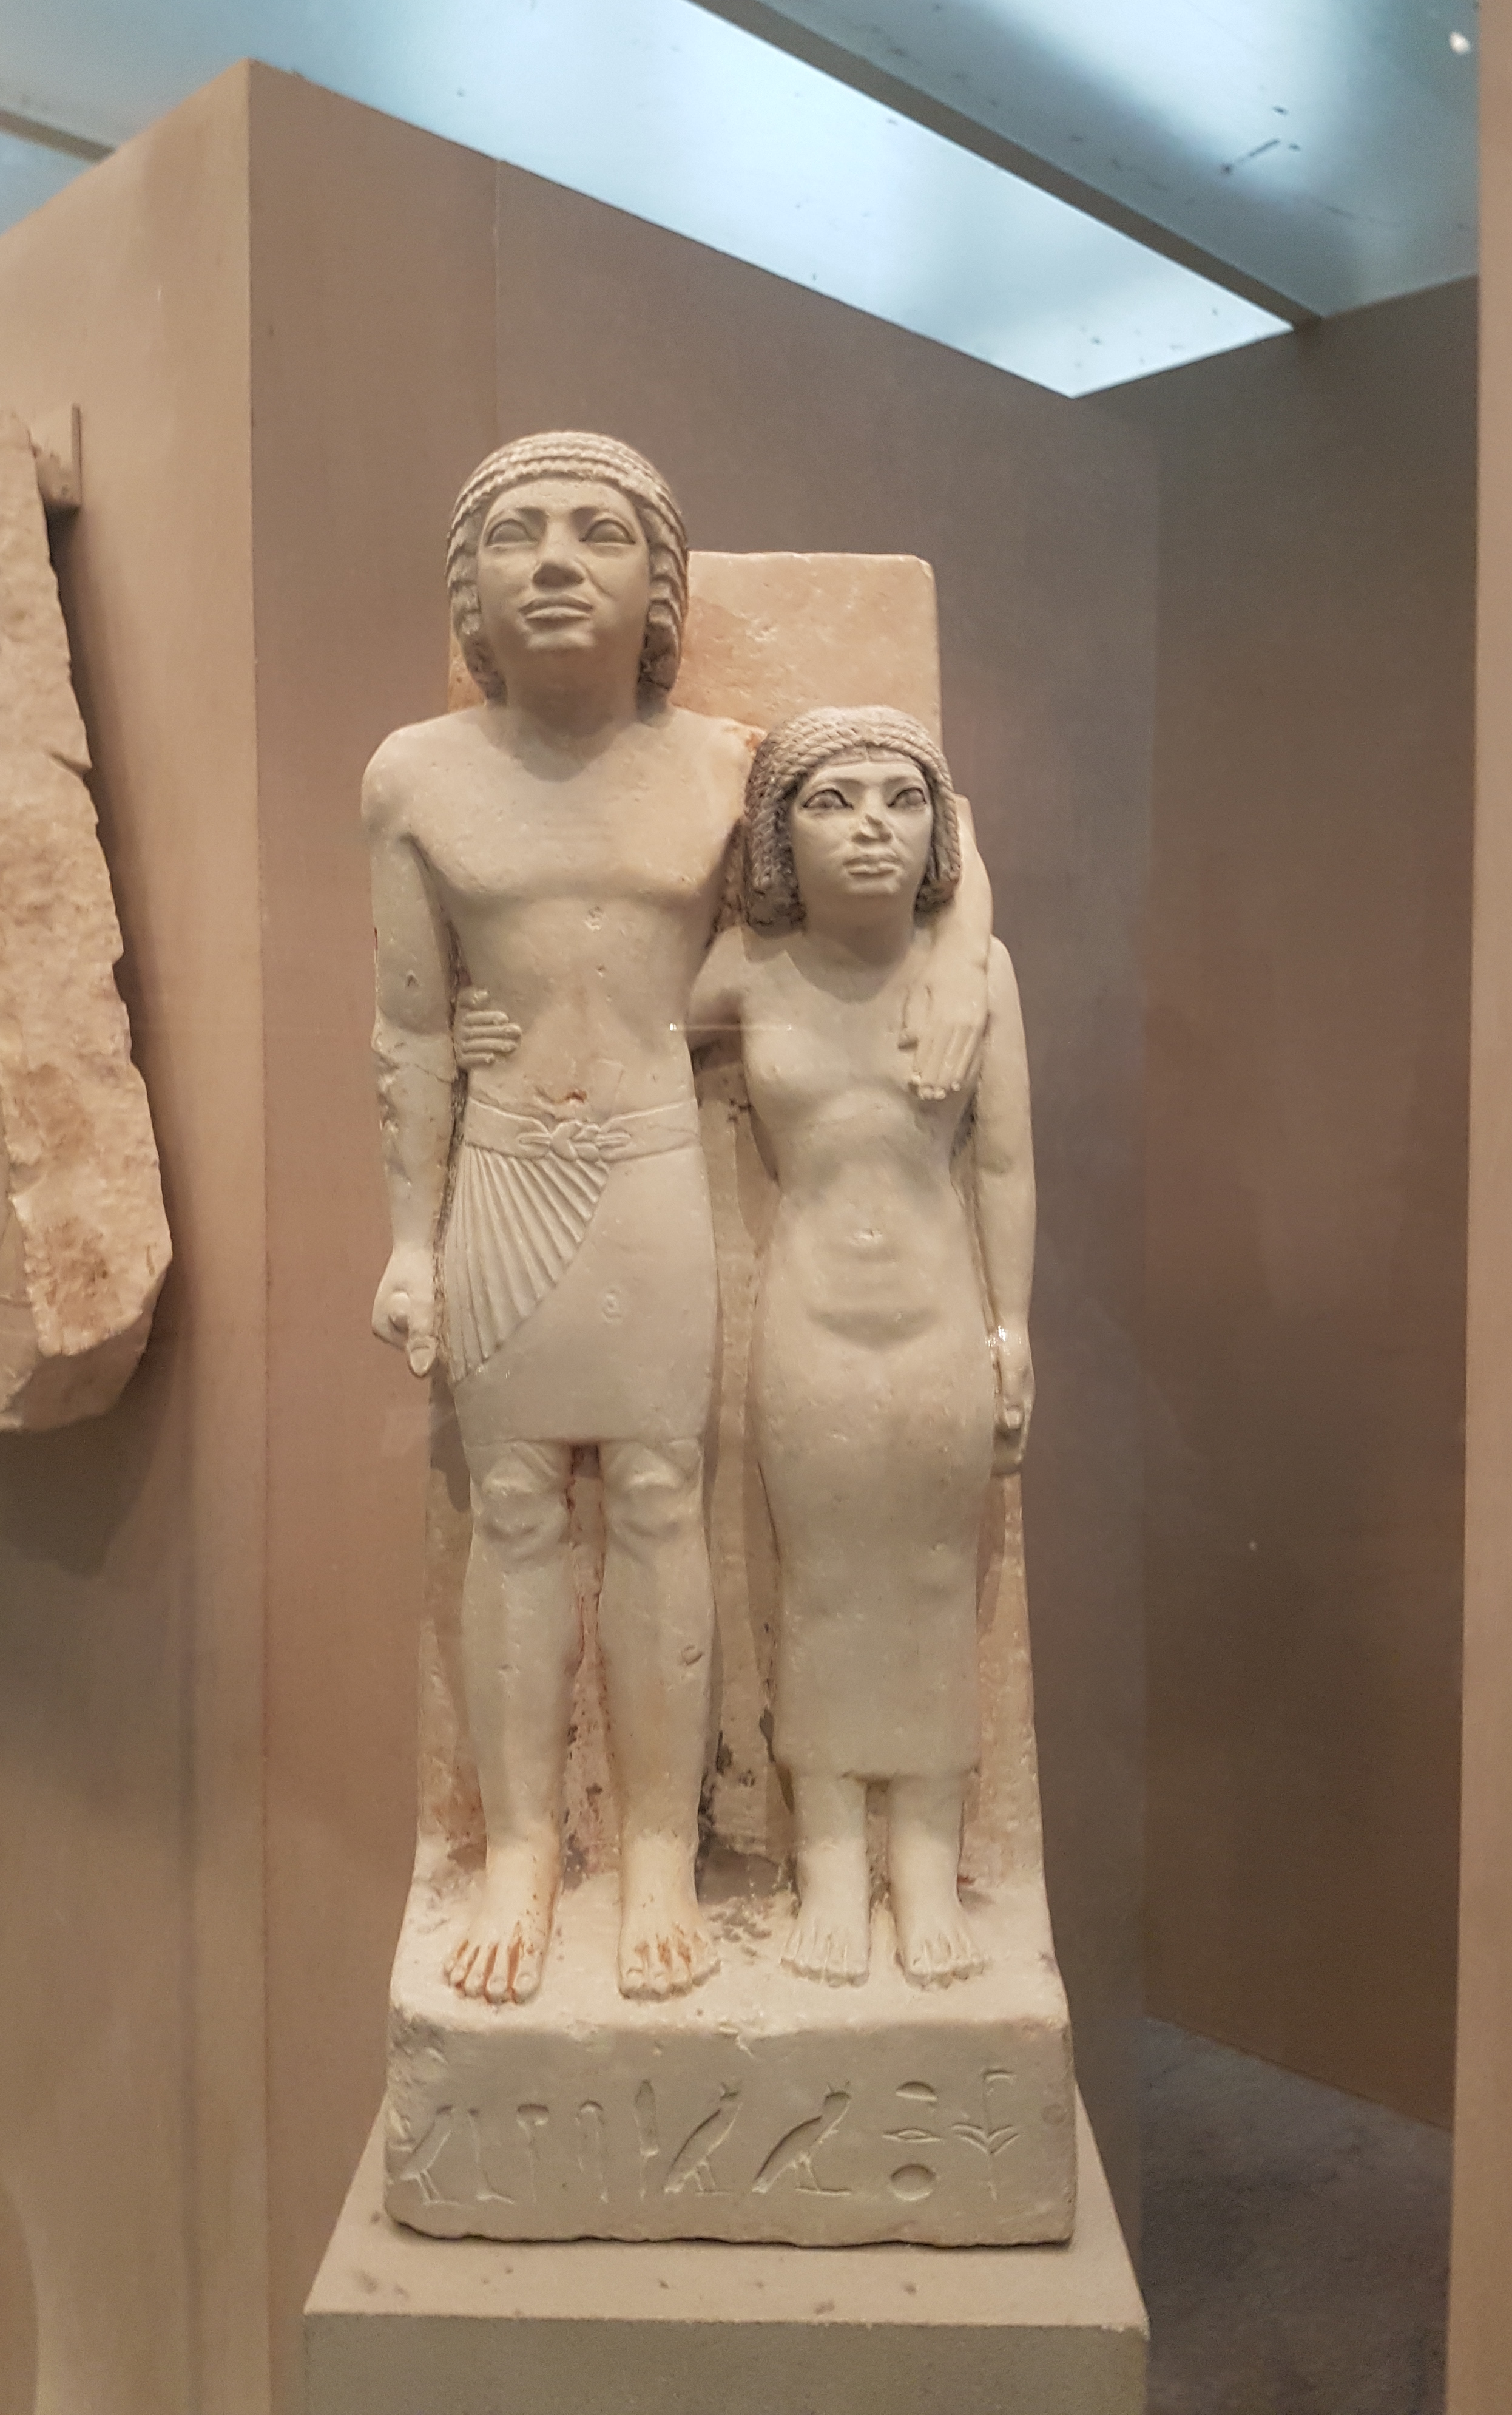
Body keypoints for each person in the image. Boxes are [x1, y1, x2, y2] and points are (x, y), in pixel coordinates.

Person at [366, 436, 993, 2005]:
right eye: (516, 534)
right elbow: (411, 1025)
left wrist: (962, 958)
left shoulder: (725, 764)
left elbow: (925, 817)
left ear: (661, 586)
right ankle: (524, 1849)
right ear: (470, 587)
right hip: (508, 1166)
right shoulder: (416, 778)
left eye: (598, 532)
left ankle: (655, 1846)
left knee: (658, 1494)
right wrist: (410, 1240)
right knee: (514, 1504)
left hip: (651, 1159)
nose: (554, 562)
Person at [687, 706, 1036, 1986]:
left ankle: (927, 1859)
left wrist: (1013, 1326)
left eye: (904, 799)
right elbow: (619, 1030)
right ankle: (832, 1856)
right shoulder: (745, 971)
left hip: (940, 1314)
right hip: (810, 1320)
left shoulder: (976, 981)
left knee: (939, 1582)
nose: (873, 826)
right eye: (833, 801)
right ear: (778, 837)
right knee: (823, 1584)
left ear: (940, 830)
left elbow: (1005, 1163)